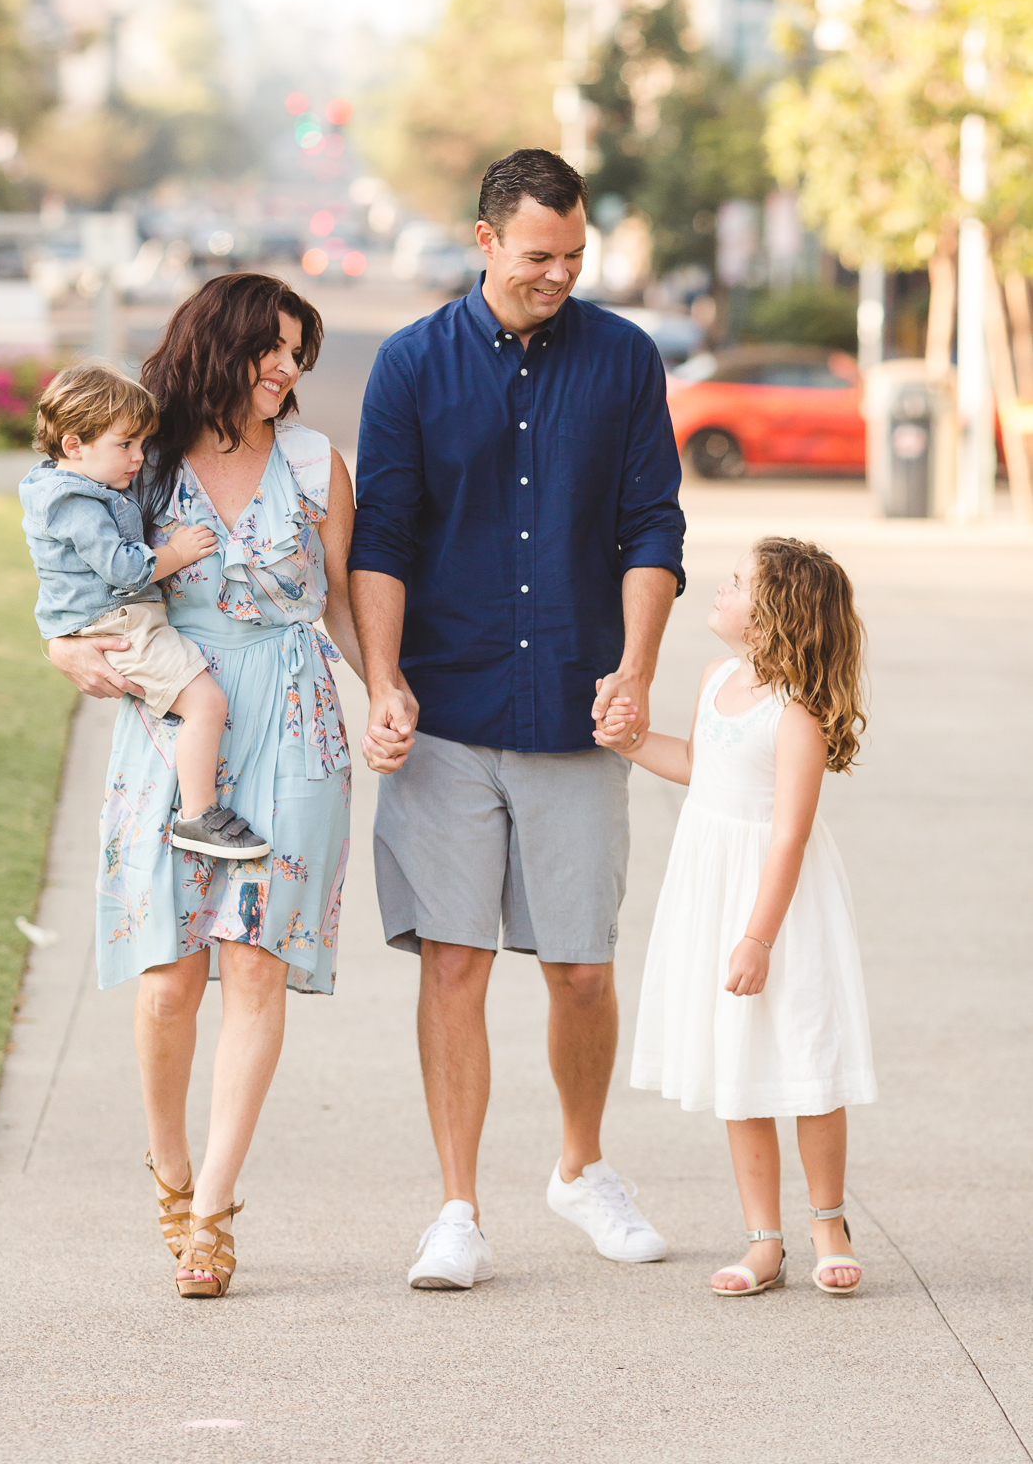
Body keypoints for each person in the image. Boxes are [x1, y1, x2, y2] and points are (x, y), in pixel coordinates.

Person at [349, 146, 686, 1291]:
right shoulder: (410, 365)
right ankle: (457, 1208)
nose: (559, 273)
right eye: (539, 254)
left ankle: (582, 1168)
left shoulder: (625, 359)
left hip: (580, 708)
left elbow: (652, 527)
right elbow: (382, 537)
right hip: (447, 710)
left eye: (575, 254)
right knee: (453, 961)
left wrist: (636, 668)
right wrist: (383, 680)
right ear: (485, 240)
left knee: (582, 965)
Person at [45, 274, 363, 1300]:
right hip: (178, 715)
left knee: (256, 966)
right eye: (272, 347)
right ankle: (170, 1171)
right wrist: (59, 645)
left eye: (298, 353)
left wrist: (390, 689)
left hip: (296, 714)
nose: (287, 368)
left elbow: (345, 601)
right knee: (170, 975)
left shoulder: (315, 461)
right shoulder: (144, 455)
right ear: (218, 346)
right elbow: (69, 562)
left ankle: (215, 1213)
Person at [609, 537, 876, 1297]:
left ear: (771, 619)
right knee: (739, 1068)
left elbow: (788, 832)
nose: (718, 592)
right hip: (713, 892)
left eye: (735, 586)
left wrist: (757, 936)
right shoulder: (715, 679)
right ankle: (764, 1239)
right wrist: (630, 743)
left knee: (805, 1057)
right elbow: (700, 767)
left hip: (778, 907)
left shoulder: (795, 716)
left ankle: (828, 1223)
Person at [20, 361, 270, 860]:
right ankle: (198, 815)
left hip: (121, 619)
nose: (138, 458)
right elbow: (122, 568)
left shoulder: (80, 481)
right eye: (125, 445)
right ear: (74, 445)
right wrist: (175, 553)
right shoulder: (73, 500)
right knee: (206, 704)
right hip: (119, 623)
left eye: (140, 444)